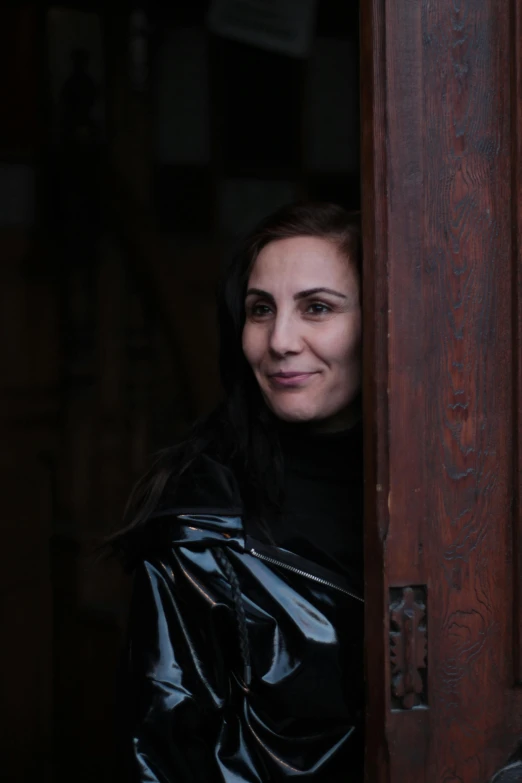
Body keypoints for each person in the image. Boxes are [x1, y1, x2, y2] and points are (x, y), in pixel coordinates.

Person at [113, 202, 365, 782]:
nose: (279, 341)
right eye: (260, 310)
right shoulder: (201, 526)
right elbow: (159, 753)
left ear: (381, 318)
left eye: (317, 308)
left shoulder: (456, 493)